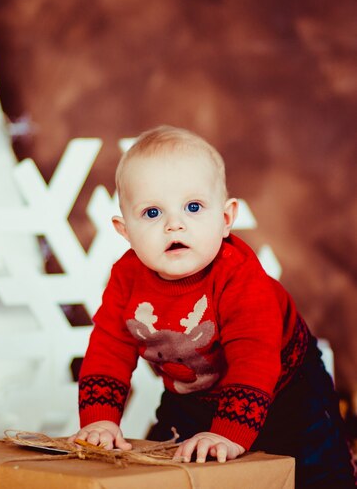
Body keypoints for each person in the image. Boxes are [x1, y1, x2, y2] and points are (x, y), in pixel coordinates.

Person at [70, 125, 355, 488]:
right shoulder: (127, 278)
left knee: (316, 469)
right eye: (152, 213)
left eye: (193, 207)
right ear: (124, 231)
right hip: (194, 395)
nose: (175, 224)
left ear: (225, 219)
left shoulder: (241, 279)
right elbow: (109, 348)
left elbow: (254, 358)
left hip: (286, 388)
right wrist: (100, 419)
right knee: (167, 464)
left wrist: (229, 433)